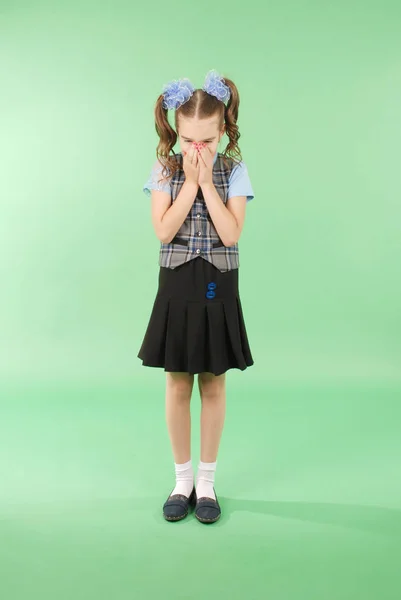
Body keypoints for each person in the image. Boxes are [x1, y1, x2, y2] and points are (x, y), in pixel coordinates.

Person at [138, 69, 255, 524]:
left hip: (217, 282)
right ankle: (181, 480)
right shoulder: (165, 169)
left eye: (207, 141)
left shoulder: (235, 171)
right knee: (176, 379)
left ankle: (206, 485)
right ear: (177, 133)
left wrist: (207, 183)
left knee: (213, 378)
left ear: (223, 130)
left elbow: (231, 234)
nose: (197, 151)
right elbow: (164, 229)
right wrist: (189, 182)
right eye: (189, 141)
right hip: (177, 282)